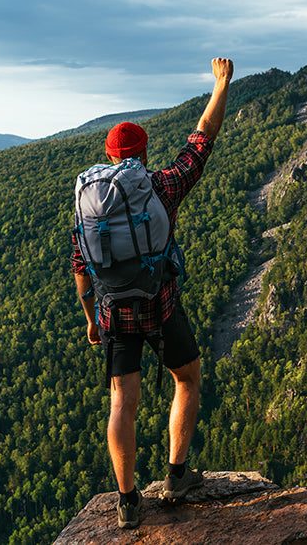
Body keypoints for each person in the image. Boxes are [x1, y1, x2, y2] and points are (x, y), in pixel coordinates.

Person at [70, 57, 233, 529]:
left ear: (108, 154)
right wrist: (220, 85)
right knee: (188, 377)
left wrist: (90, 320)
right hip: (160, 306)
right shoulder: (162, 187)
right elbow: (201, 141)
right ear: (143, 154)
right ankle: (177, 476)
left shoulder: (88, 203)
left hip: (113, 312)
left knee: (123, 402)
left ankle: (127, 502)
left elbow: (81, 271)